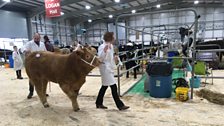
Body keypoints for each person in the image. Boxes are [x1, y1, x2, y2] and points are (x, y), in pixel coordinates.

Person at [96, 32, 129, 111]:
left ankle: (98, 103)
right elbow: (100, 58)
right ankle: (120, 105)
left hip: (109, 68)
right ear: (110, 38)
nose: (114, 38)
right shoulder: (102, 46)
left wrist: (116, 59)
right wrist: (104, 51)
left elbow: (110, 58)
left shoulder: (111, 46)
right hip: (104, 68)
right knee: (113, 86)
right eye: (113, 37)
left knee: (104, 86)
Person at [23, 33, 47, 99]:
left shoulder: (42, 44)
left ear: (40, 38)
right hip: (33, 64)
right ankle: (31, 92)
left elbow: (45, 51)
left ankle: (43, 92)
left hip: (42, 63)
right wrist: (26, 51)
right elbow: (23, 48)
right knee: (32, 78)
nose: (37, 39)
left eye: (38, 38)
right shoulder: (29, 43)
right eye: (35, 38)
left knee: (43, 78)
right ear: (33, 38)